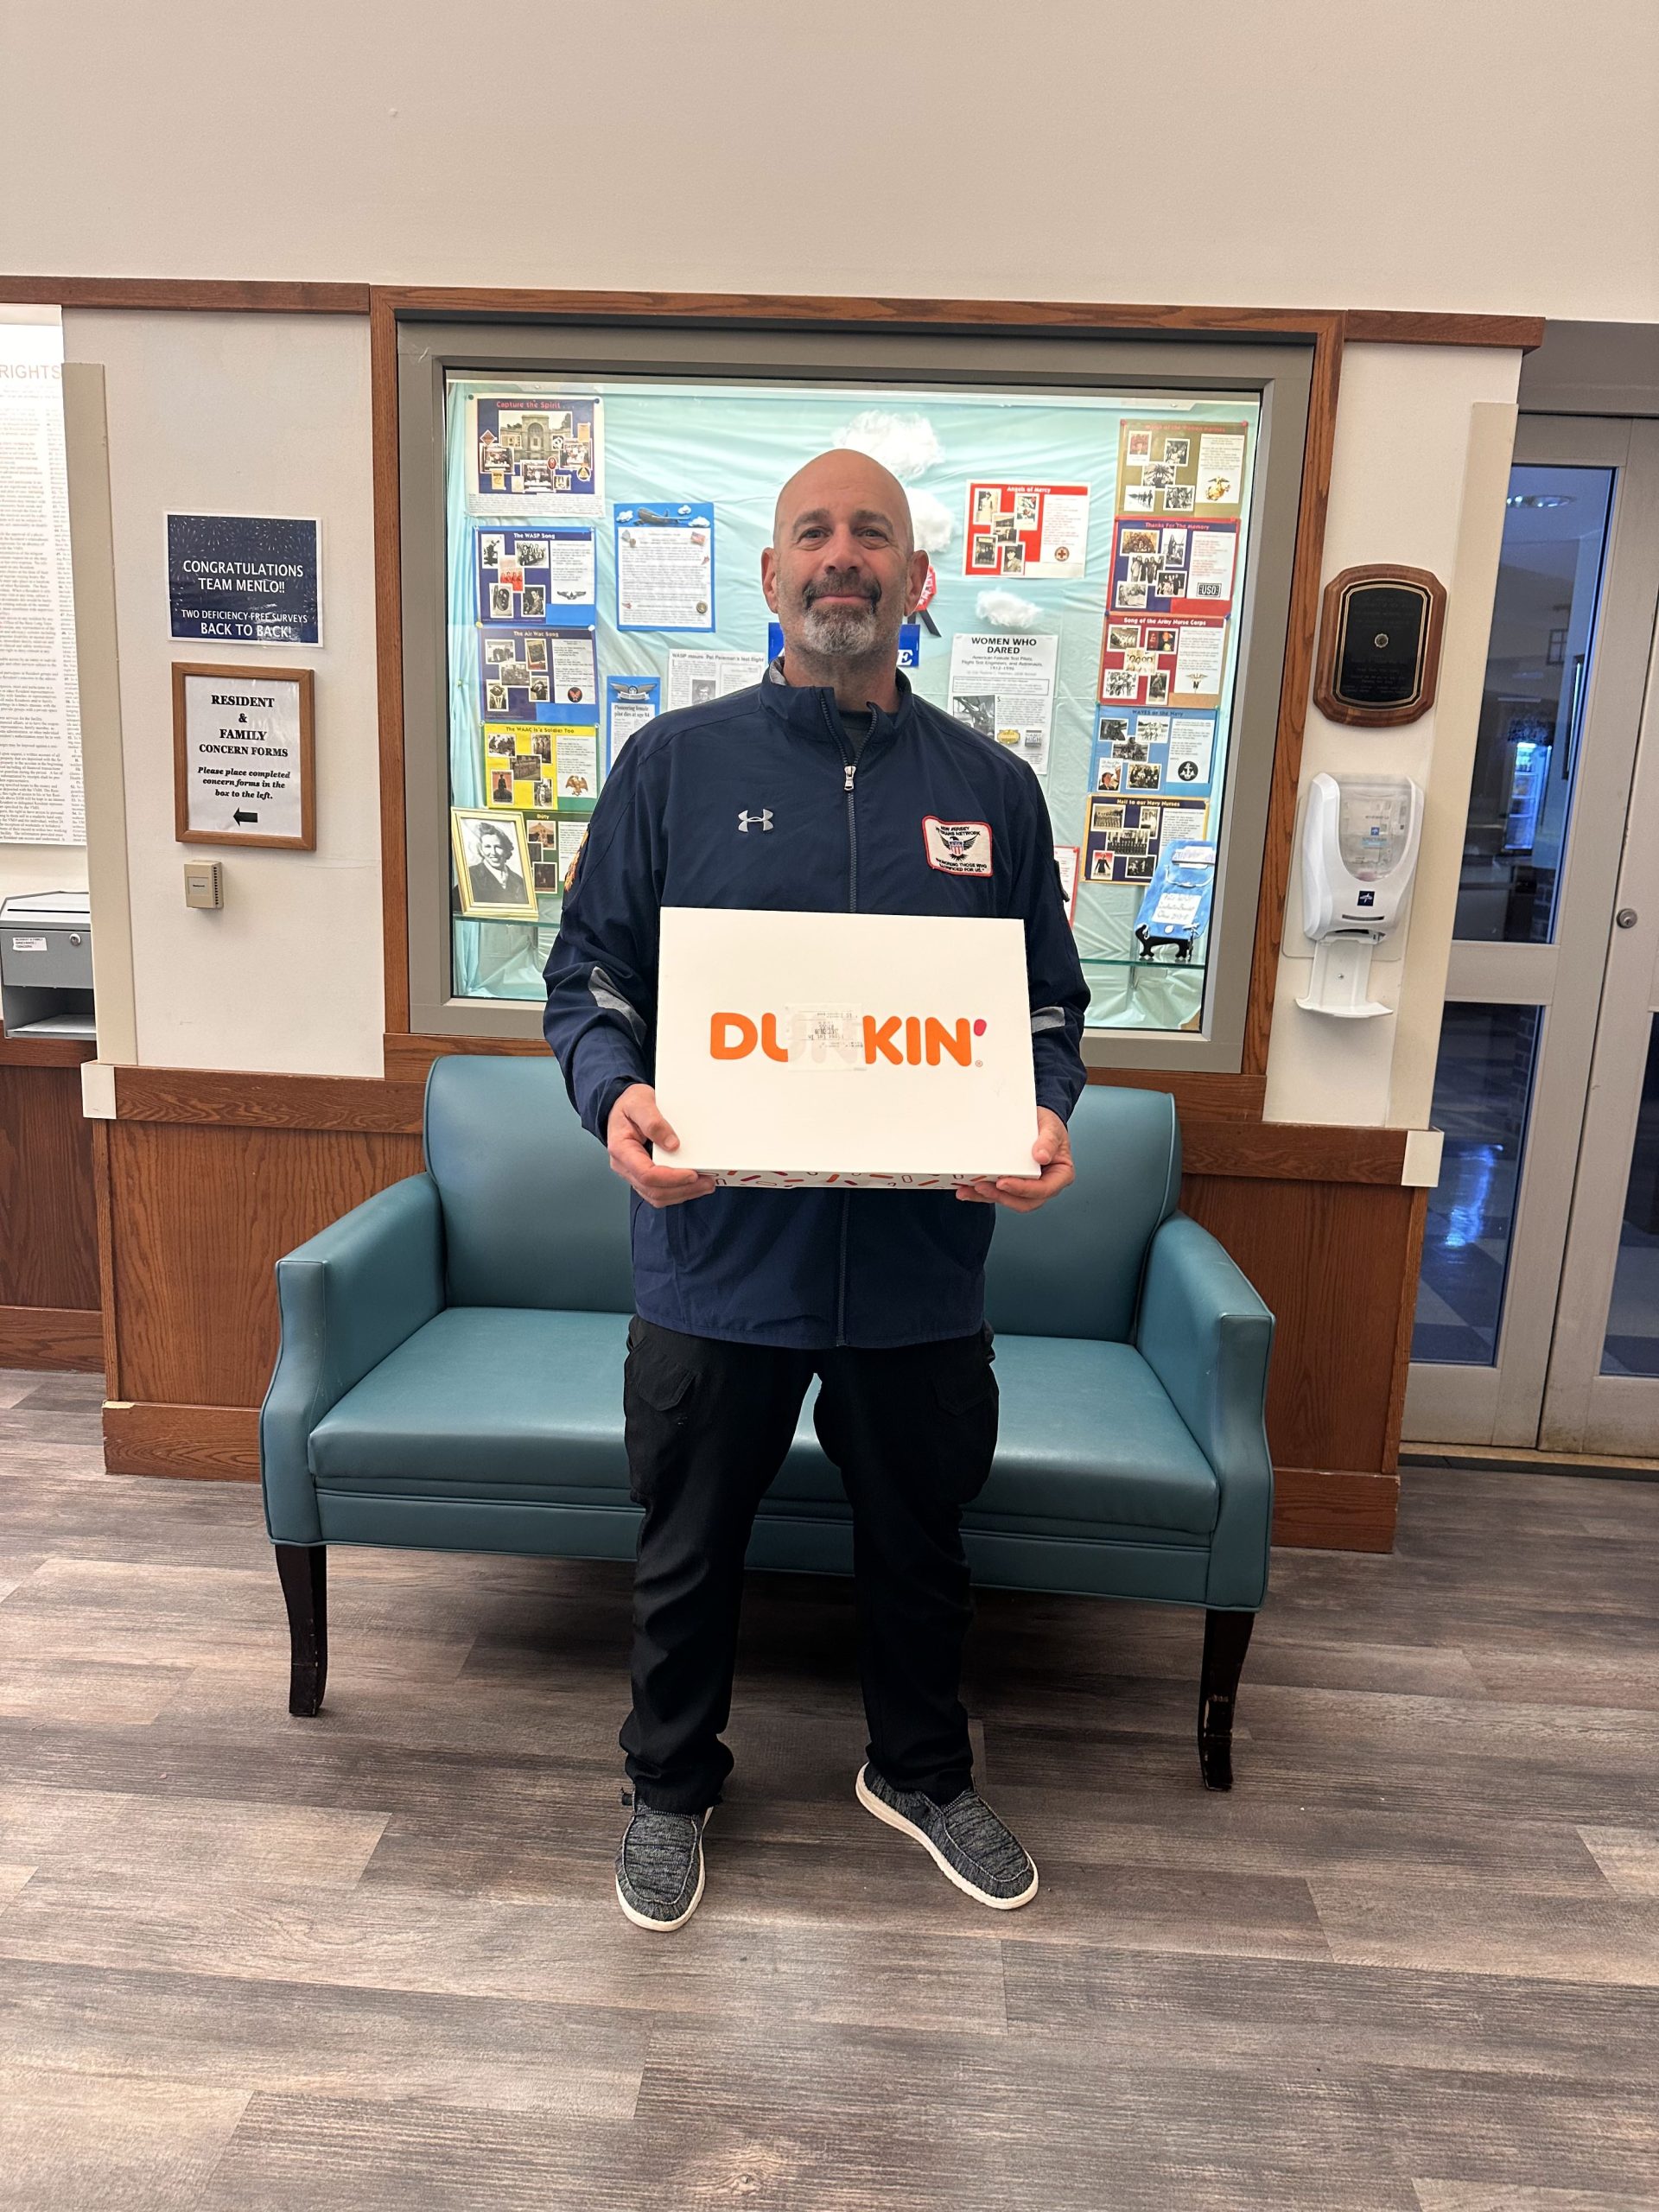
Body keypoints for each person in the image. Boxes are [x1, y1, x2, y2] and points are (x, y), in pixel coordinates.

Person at [543, 449, 1088, 1932]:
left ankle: (920, 1771)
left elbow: (1047, 1006)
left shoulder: (993, 789)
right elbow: (589, 981)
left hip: (918, 1266)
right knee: (687, 1546)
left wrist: (1046, 1109)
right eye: (813, 533)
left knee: (922, 1544)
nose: (842, 555)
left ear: (918, 581)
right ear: (773, 574)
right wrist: (614, 1092)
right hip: (718, 1252)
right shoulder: (673, 767)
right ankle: (669, 1787)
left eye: (872, 535)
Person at [467, 817, 527, 906]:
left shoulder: (519, 881)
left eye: (498, 847)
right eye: (488, 847)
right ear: (481, 850)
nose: (493, 853)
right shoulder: (470, 876)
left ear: (506, 849)